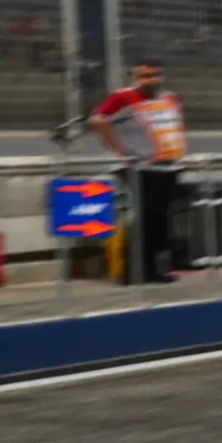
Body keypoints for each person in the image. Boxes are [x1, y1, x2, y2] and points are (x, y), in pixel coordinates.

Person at [84, 57, 189, 282]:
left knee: (161, 221)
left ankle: (154, 269)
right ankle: (133, 272)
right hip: (142, 168)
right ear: (135, 78)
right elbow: (98, 120)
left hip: (168, 165)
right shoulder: (123, 98)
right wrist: (119, 148)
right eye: (146, 76)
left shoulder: (170, 97)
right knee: (146, 221)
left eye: (156, 74)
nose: (152, 80)